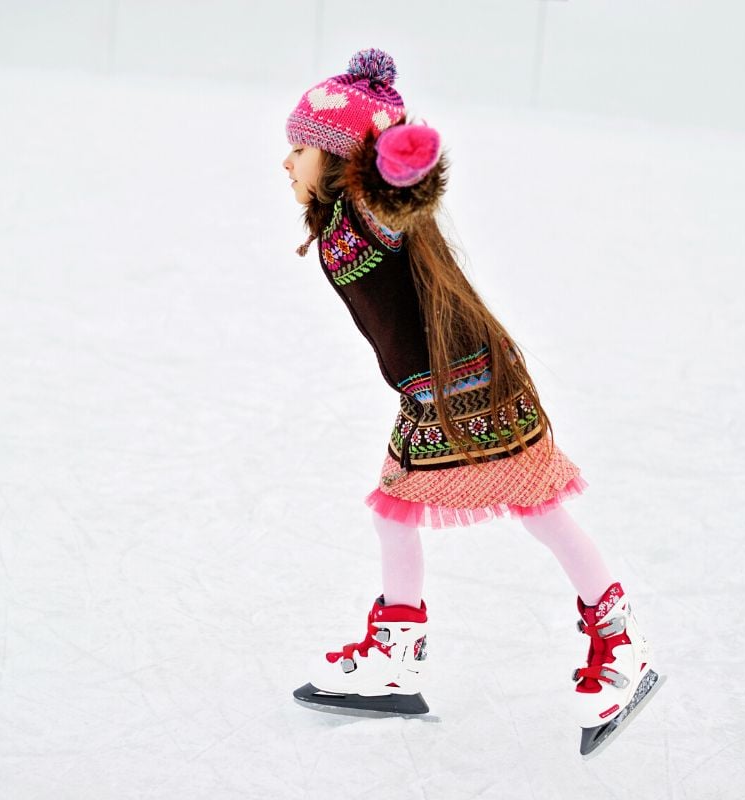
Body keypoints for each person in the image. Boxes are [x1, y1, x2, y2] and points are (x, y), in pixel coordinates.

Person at [281, 48, 663, 757]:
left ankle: (622, 646)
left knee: (538, 505)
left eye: (300, 147)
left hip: (472, 386)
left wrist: (400, 163)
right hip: (436, 393)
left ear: (339, 161)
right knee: (399, 512)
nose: (287, 162)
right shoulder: (338, 221)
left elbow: (399, 198)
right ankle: (395, 662)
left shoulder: (367, 212)